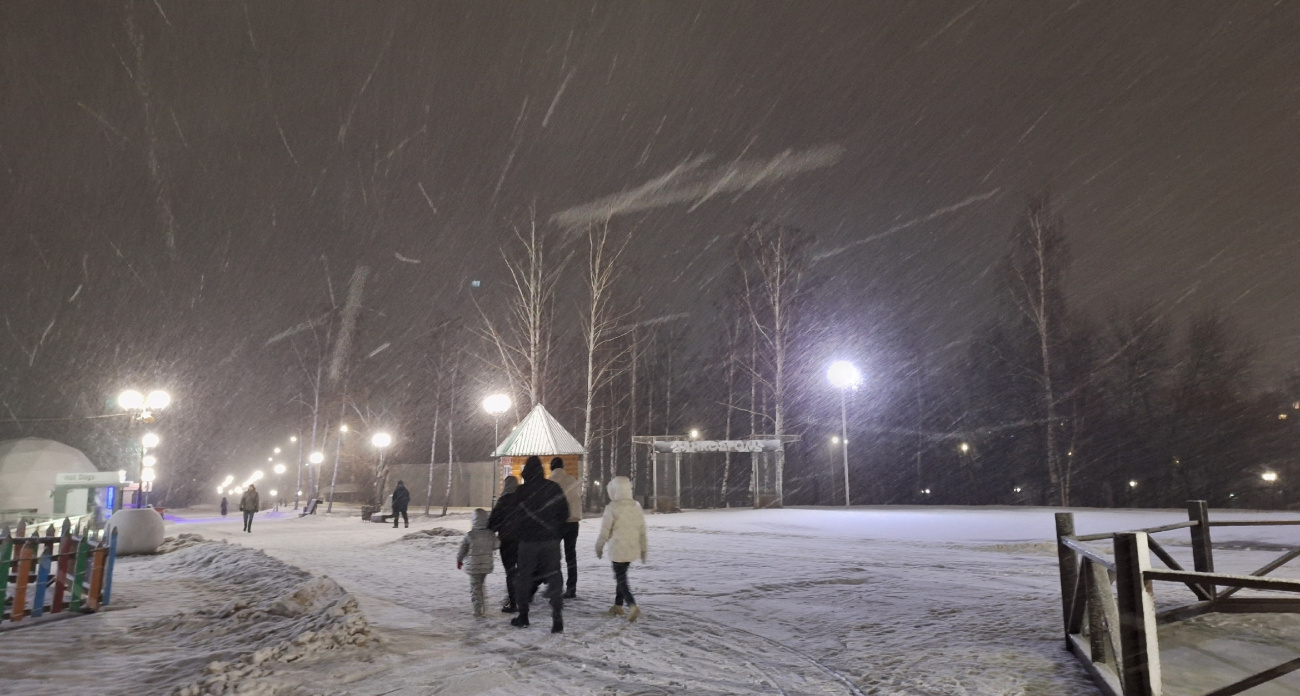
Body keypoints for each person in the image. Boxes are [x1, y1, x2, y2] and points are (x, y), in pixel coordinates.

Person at [510, 456, 569, 633]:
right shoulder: (553, 488)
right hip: (550, 541)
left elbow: (512, 518)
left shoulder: (520, 491)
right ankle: (557, 616)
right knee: (554, 576)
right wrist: (555, 530)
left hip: (527, 542)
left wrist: (520, 533)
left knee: (524, 578)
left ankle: (523, 615)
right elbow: (565, 513)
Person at [595, 476, 647, 622]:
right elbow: (642, 529)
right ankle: (618, 606)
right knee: (622, 576)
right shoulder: (636, 505)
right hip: (632, 547)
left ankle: (632, 605)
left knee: (620, 579)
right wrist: (643, 549)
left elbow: (605, 530)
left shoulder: (613, 507)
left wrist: (599, 545)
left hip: (618, 548)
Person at [547, 457, 583, 598]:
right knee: (570, 556)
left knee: (554, 556)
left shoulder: (550, 482)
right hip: (573, 522)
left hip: (556, 523)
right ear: (562, 467)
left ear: (551, 467)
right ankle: (571, 588)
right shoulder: (572, 480)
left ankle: (555, 586)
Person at [457, 508, 500, 617]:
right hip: (486, 565)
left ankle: (478, 609)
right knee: (480, 585)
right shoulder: (490, 534)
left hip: (473, 567)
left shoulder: (470, 535)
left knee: (475, 588)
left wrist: (459, 560)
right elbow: (496, 545)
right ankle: (482, 606)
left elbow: (462, 550)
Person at [487, 475, 521, 613]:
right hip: (523, 541)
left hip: (507, 541)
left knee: (510, 571)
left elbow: (492, 523)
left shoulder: (502, 501)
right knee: (522, 570)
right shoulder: (523, 500)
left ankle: (513, 603)